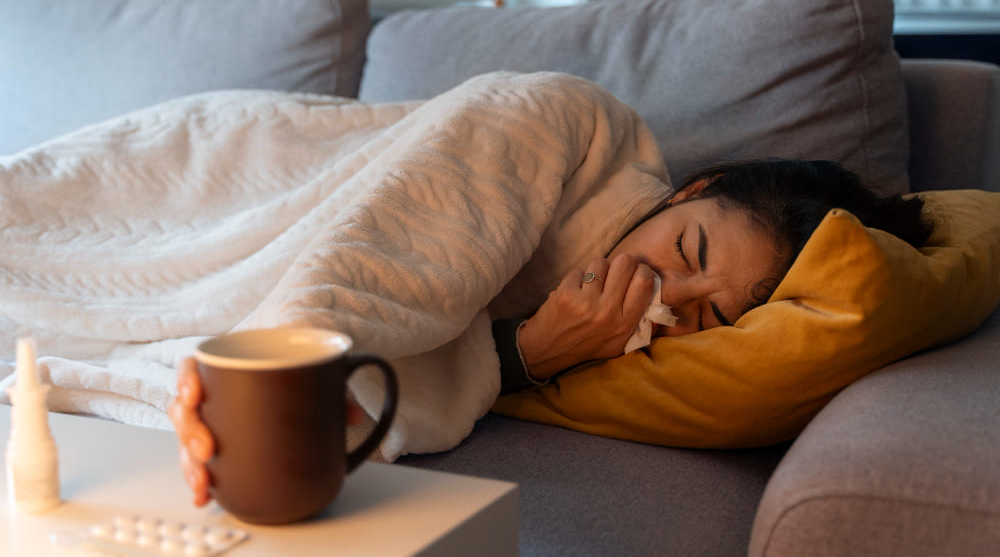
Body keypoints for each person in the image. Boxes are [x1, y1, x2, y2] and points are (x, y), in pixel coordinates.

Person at [170, 158, 933, 506]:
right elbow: (378, 238)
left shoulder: (625, 353)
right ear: (692, 191)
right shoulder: (582, 141)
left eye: (707, 314)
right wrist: (290, 347)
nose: (670, 291)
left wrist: (531, 352)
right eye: (686, 251)